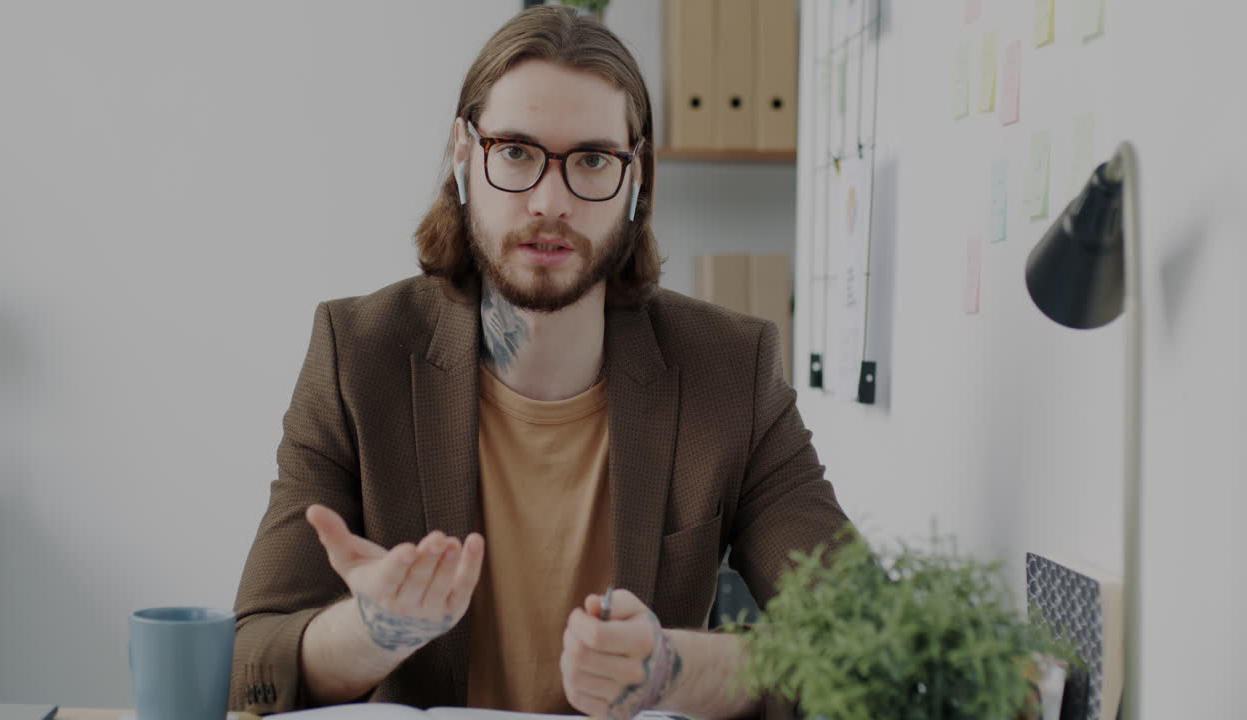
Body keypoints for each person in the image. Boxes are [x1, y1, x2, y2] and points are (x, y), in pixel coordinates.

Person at [231, 7, 850, 720]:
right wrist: (371, 632)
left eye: (591, 159)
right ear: (464, 156)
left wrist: (671, 670)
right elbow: (251, 657)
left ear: (637, 177)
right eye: (516, 152)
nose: (550, 202)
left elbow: (862, 644)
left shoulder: (730, 372)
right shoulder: (356, 354)